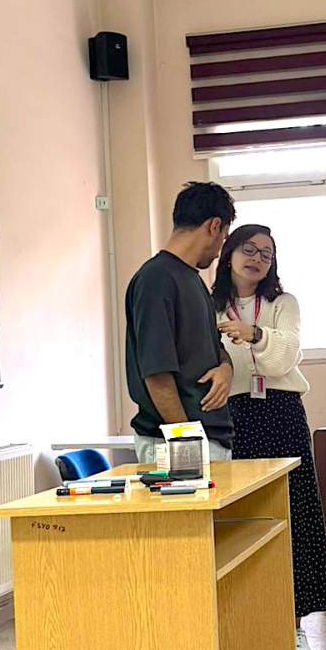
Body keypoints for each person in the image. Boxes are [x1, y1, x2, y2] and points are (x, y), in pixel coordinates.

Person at [212, 224, 326, 650]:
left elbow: (285, 358)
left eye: (266, 253)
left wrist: (255, 335)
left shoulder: (284, 303)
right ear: (229, 253)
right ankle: (245, 623)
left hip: (281, 412)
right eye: (249, 249)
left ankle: (294, 626)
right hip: (232, 415)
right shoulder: (208, 305)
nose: (257, 259)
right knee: (242, 517)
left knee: (293, 513)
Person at [124, 181, 236, 464]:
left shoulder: (194, 281)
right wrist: (187, 444)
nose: (219, 250)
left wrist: (225, 368)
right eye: (224, 238)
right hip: (175, 441)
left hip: (207, 437)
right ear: (214, 226)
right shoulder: (156, 279)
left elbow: (215, 348)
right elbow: (157, 373)